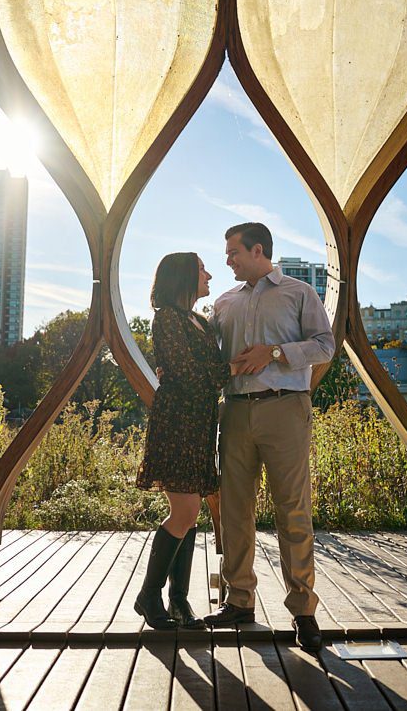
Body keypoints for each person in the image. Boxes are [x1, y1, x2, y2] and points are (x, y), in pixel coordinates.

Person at [202, 222, 335, 652]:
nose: (228, 260)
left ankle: (303, 611)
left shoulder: (299, 293)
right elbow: (211, 360)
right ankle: (239, 601)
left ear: (258, 250)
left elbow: (325, 346)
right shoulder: (222, 305)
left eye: (233, 252)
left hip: (285, 408)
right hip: (236, 412)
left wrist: (274, 353)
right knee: (235, 510)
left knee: (292, 509)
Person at [134, 252, 233, 630]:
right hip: (177, 425)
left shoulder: (198, 321)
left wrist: (216, 371)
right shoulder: (167, 319)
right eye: (202, 269)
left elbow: (201, 371)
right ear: (184, 277)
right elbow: (190, 374)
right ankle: (149, 596)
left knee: (189, 518)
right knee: (186, 512)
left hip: (198, 425)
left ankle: (178, 602)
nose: (209, 274)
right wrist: (231, 369)